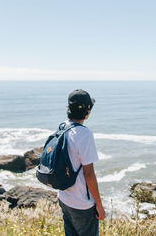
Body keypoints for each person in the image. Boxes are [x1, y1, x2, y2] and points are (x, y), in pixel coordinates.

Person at [58, 89, 105, 236]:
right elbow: (89, 174)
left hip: (64, 197)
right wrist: (99, 204)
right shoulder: (85, 134)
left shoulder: (63, 127)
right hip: (82, 203)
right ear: (88, 110)